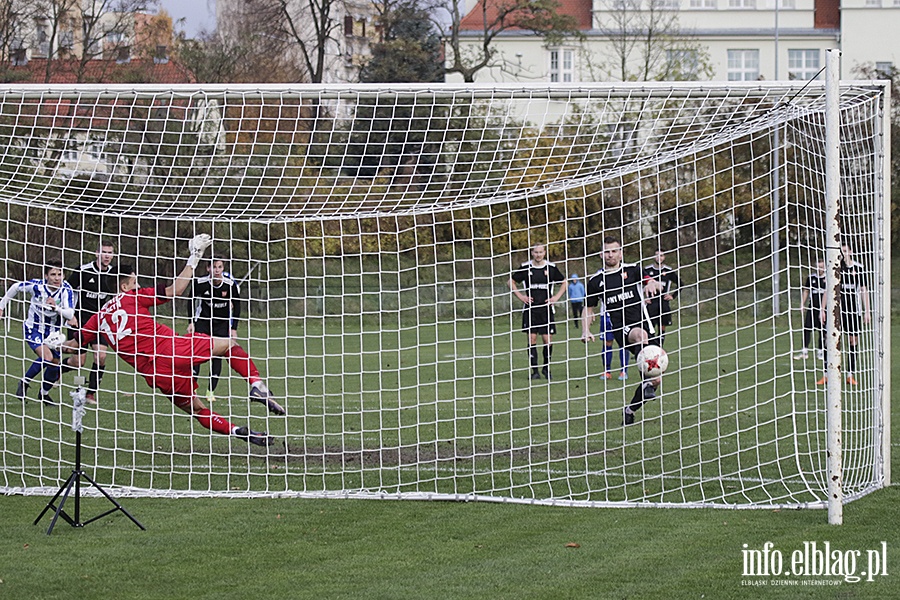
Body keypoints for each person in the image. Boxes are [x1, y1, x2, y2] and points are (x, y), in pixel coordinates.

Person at [53, 235, 285, 447]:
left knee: (197, 409)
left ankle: (239, 432)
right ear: (124, 287)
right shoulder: (132, 297)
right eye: (134, 282)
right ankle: (258, 386)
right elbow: (177, 289)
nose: (138, 286)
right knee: (229, 345)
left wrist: (55, 342)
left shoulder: (98, 318)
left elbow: (71, 347)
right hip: (171, 348)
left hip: (156, 374)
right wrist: (194, 257)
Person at [581, 236, 663, 425]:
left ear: (620, 252)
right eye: (607, 251)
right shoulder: (596, 281)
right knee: (639, 336)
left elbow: (649, 280)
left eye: (614, 251)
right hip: (623, 329)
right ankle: (646, 383)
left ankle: (630, 409)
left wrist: (652, 283)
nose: (610, 254)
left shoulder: (632, 269)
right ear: (601, 254)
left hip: (646, 324)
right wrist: (585, 330)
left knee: (655, 380)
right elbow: (589, 308)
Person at [0, 259, 77, 404]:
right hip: (33, 328)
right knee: (47, 357)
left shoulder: (66, 289)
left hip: (53, 333)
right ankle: (24, 382)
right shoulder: (37, 286)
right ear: (46, 276)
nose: (57, 278)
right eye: (53, 274)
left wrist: (56, 308)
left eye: (60, 274)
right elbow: (16, 287)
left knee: (54, 364)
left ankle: (44, 394)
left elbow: (69, 313)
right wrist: (1, 306)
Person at [60, 239, 119, 404]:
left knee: (100, 356)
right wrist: (69, 314)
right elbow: (66, 290)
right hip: (80, 321)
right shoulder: (83, 270)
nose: (107, 256)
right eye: (104, 252)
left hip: (99, 322)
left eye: (109, 252)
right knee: (78, 361)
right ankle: (56, 367)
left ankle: (90, 393)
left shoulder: (114, 274)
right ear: (96, 253)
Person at [508, 243, 568, 380]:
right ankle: (534, 371)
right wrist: (521, 296)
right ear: (532, 253)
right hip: (530, 310)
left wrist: (556, 297)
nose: (538, 255)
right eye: (535, 252)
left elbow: (564, 282)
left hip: (546, 309)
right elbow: (511, 281)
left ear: (545, 252)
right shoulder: (525, 267)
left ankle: (546, 369)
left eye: (540, 252)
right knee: (532, 339)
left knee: (547, 340)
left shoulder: (551, 268)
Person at [188, 257, 242, 401]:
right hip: (203, 322)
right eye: (214, 267)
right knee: (196, 355)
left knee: (217, 356)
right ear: (208, 269)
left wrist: (233, 328)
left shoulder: (229, 285)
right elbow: (190, 300)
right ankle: (191, 389)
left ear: (223, 269)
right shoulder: (200, 283)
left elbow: (237, 306)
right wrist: (191, 322)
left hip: (222, 324)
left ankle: (210, 392)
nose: (217, 270)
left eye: (219, 267)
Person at [817, 245, 871, 386]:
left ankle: (850, 375)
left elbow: (864, 289)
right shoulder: (835, 267)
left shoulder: (858, 268)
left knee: (853, 341)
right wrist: (822, 309)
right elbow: (828, 289)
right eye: (841, 251)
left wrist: (867, 311)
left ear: (851, 252)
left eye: (846, 251)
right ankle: (827, 374)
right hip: (837, 308)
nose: (844, 254)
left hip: (853, 310)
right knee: (830, 340)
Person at [643, 248, 679, 347]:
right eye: (657, 255)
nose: (659, 257)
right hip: (651, 303)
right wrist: (644, 298)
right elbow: (639, 285)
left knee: (662, 327)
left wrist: (672, 296)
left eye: (661, 255)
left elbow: (680, 284)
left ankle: (659, 348)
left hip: (663, 303)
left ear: (664, 257)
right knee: (649, 328)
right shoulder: (647, 270)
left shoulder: (668, 270)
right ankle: (649, 349)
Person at [795, 258, 826, 361]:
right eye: (817, 266)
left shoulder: (828, 278)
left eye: (821, 267)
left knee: (822, 330)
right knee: (807, 328)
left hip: (824, 309)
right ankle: (804, 351)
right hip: (812, 306)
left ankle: (821, 352)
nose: (819, 269)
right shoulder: (811, 278)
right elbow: (806, 291)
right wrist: (802, 304)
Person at [599, 306, 630, 380]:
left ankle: (624, 371)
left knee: (623, 342)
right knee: (607, 343)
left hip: (622, 313)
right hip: (606, 314)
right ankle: (607, 371)